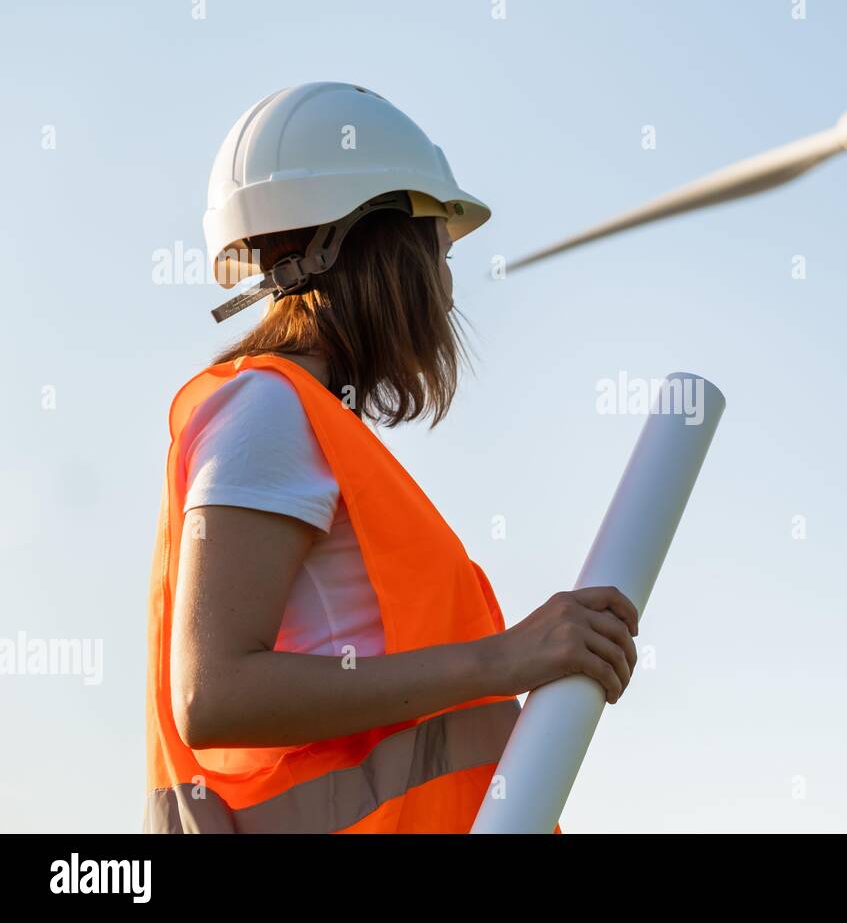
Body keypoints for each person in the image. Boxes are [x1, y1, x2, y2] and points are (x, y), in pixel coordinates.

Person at [144, 82, 638, 833]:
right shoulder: (268, 411)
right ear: (377, 243)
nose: (445, 289)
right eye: (438, 250)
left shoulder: (303, 422)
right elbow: (212, 696)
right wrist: (503, 660)